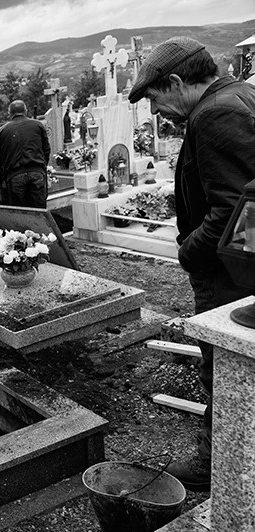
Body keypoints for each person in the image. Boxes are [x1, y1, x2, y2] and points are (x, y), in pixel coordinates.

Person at [129, 36, 255, 492]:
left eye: (155, 98)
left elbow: (234, 210)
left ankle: (217, 463)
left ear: (177, 81)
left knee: (222, 366)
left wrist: (189, 252)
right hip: (240, 264)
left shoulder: (214, 114)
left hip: (228, 274)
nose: (155, 112)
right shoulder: (240, 93)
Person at [0, 100, 50, 208]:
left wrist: (2, 176)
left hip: (14, 176)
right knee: (39, 211)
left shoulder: (2, 132)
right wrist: (42, 167)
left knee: (21, 212)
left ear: (9, 113)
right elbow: (46, 149)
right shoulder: (38, 125)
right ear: (25, 111)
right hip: (36, 172)